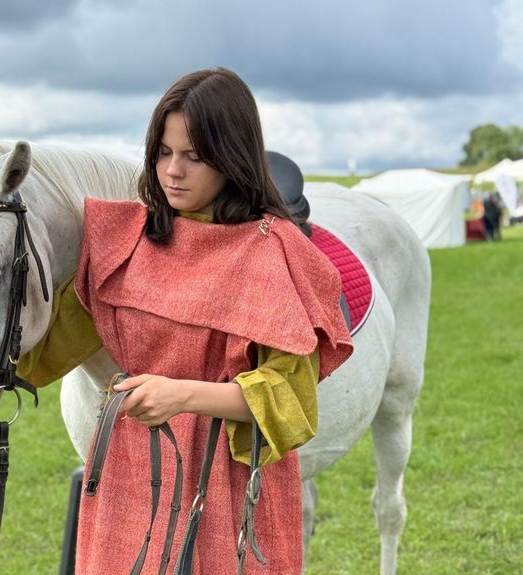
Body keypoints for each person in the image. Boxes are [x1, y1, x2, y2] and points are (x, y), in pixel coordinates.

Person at [17, 67, 353, 574]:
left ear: (231, 156)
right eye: (163, 152)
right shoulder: (123, 239)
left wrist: (181, 395)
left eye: (193, 156)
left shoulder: (274, 252)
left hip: (227, 479)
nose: (173, 171)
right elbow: (46, 346)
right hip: (131, 473)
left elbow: (291, 400)